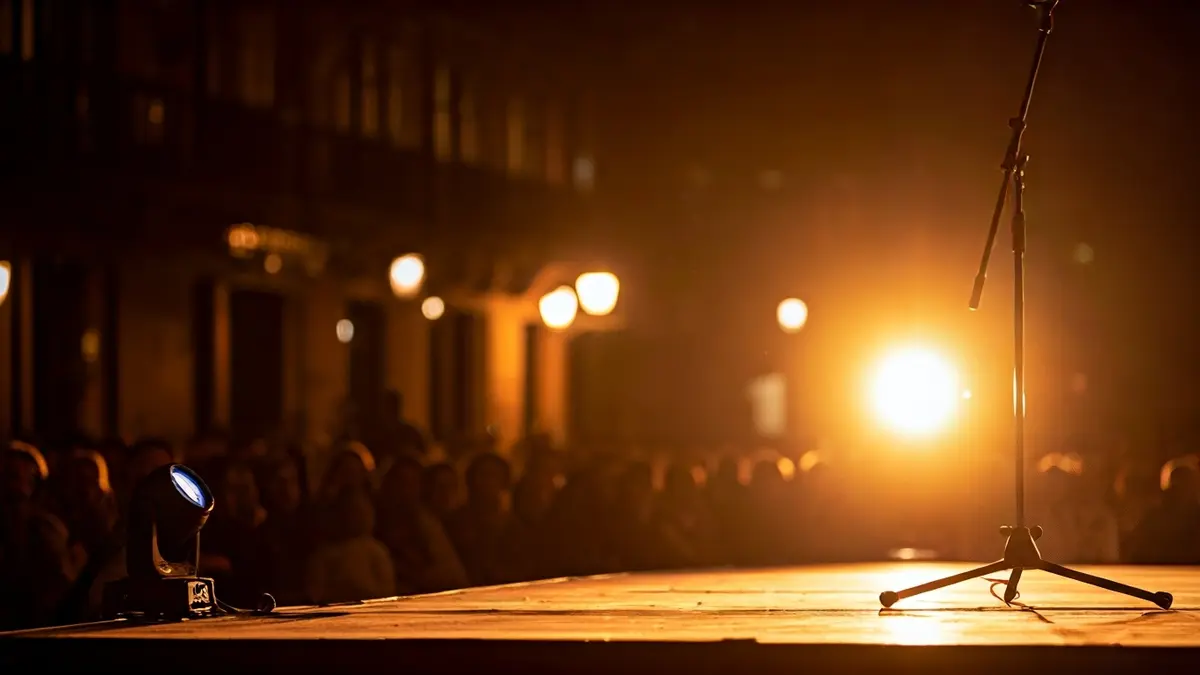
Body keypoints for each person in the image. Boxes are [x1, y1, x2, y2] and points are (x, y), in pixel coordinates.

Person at [306, 490, 395, 604]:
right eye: (350, 511)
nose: (354, 517)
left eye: (360, 512)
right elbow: (316, 592)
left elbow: (387, 591)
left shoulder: (376, 551)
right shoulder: (325, 555)